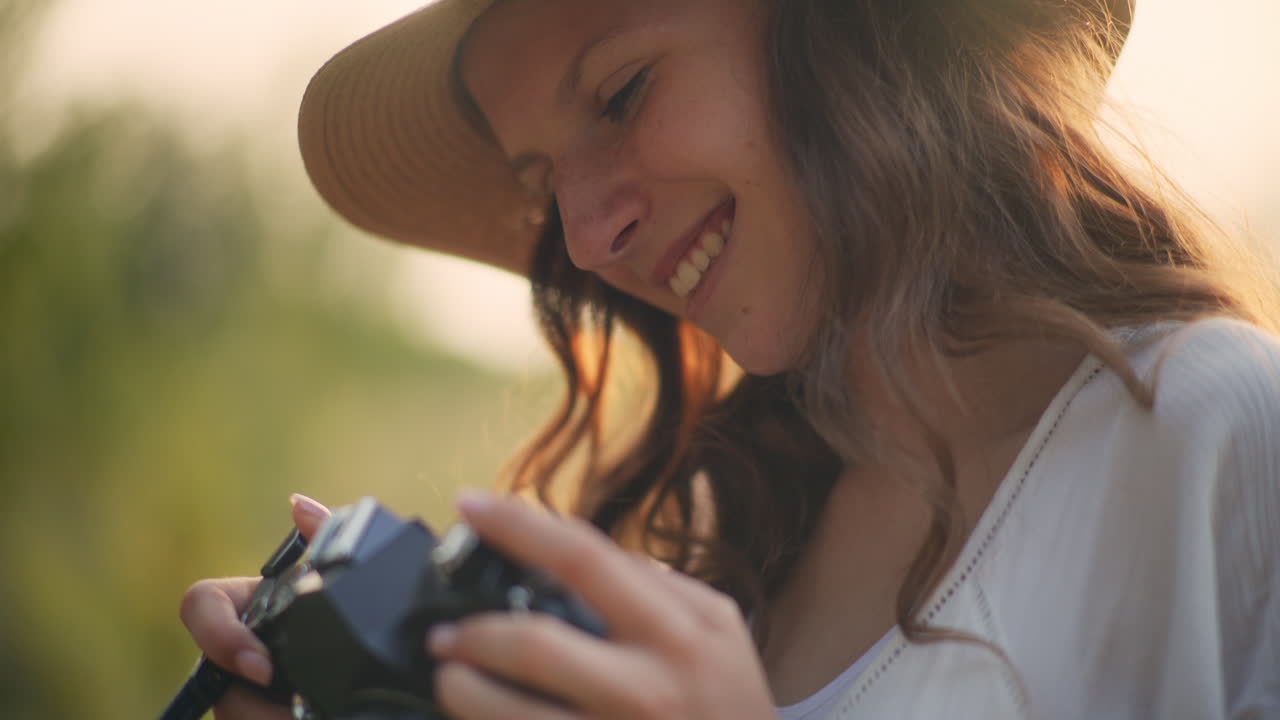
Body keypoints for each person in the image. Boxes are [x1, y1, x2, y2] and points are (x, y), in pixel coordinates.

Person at [179, 0, 1280, 717]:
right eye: (538, 179)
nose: (581, 239)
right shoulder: (741, 546)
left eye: (620, 93)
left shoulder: (1214, 437)